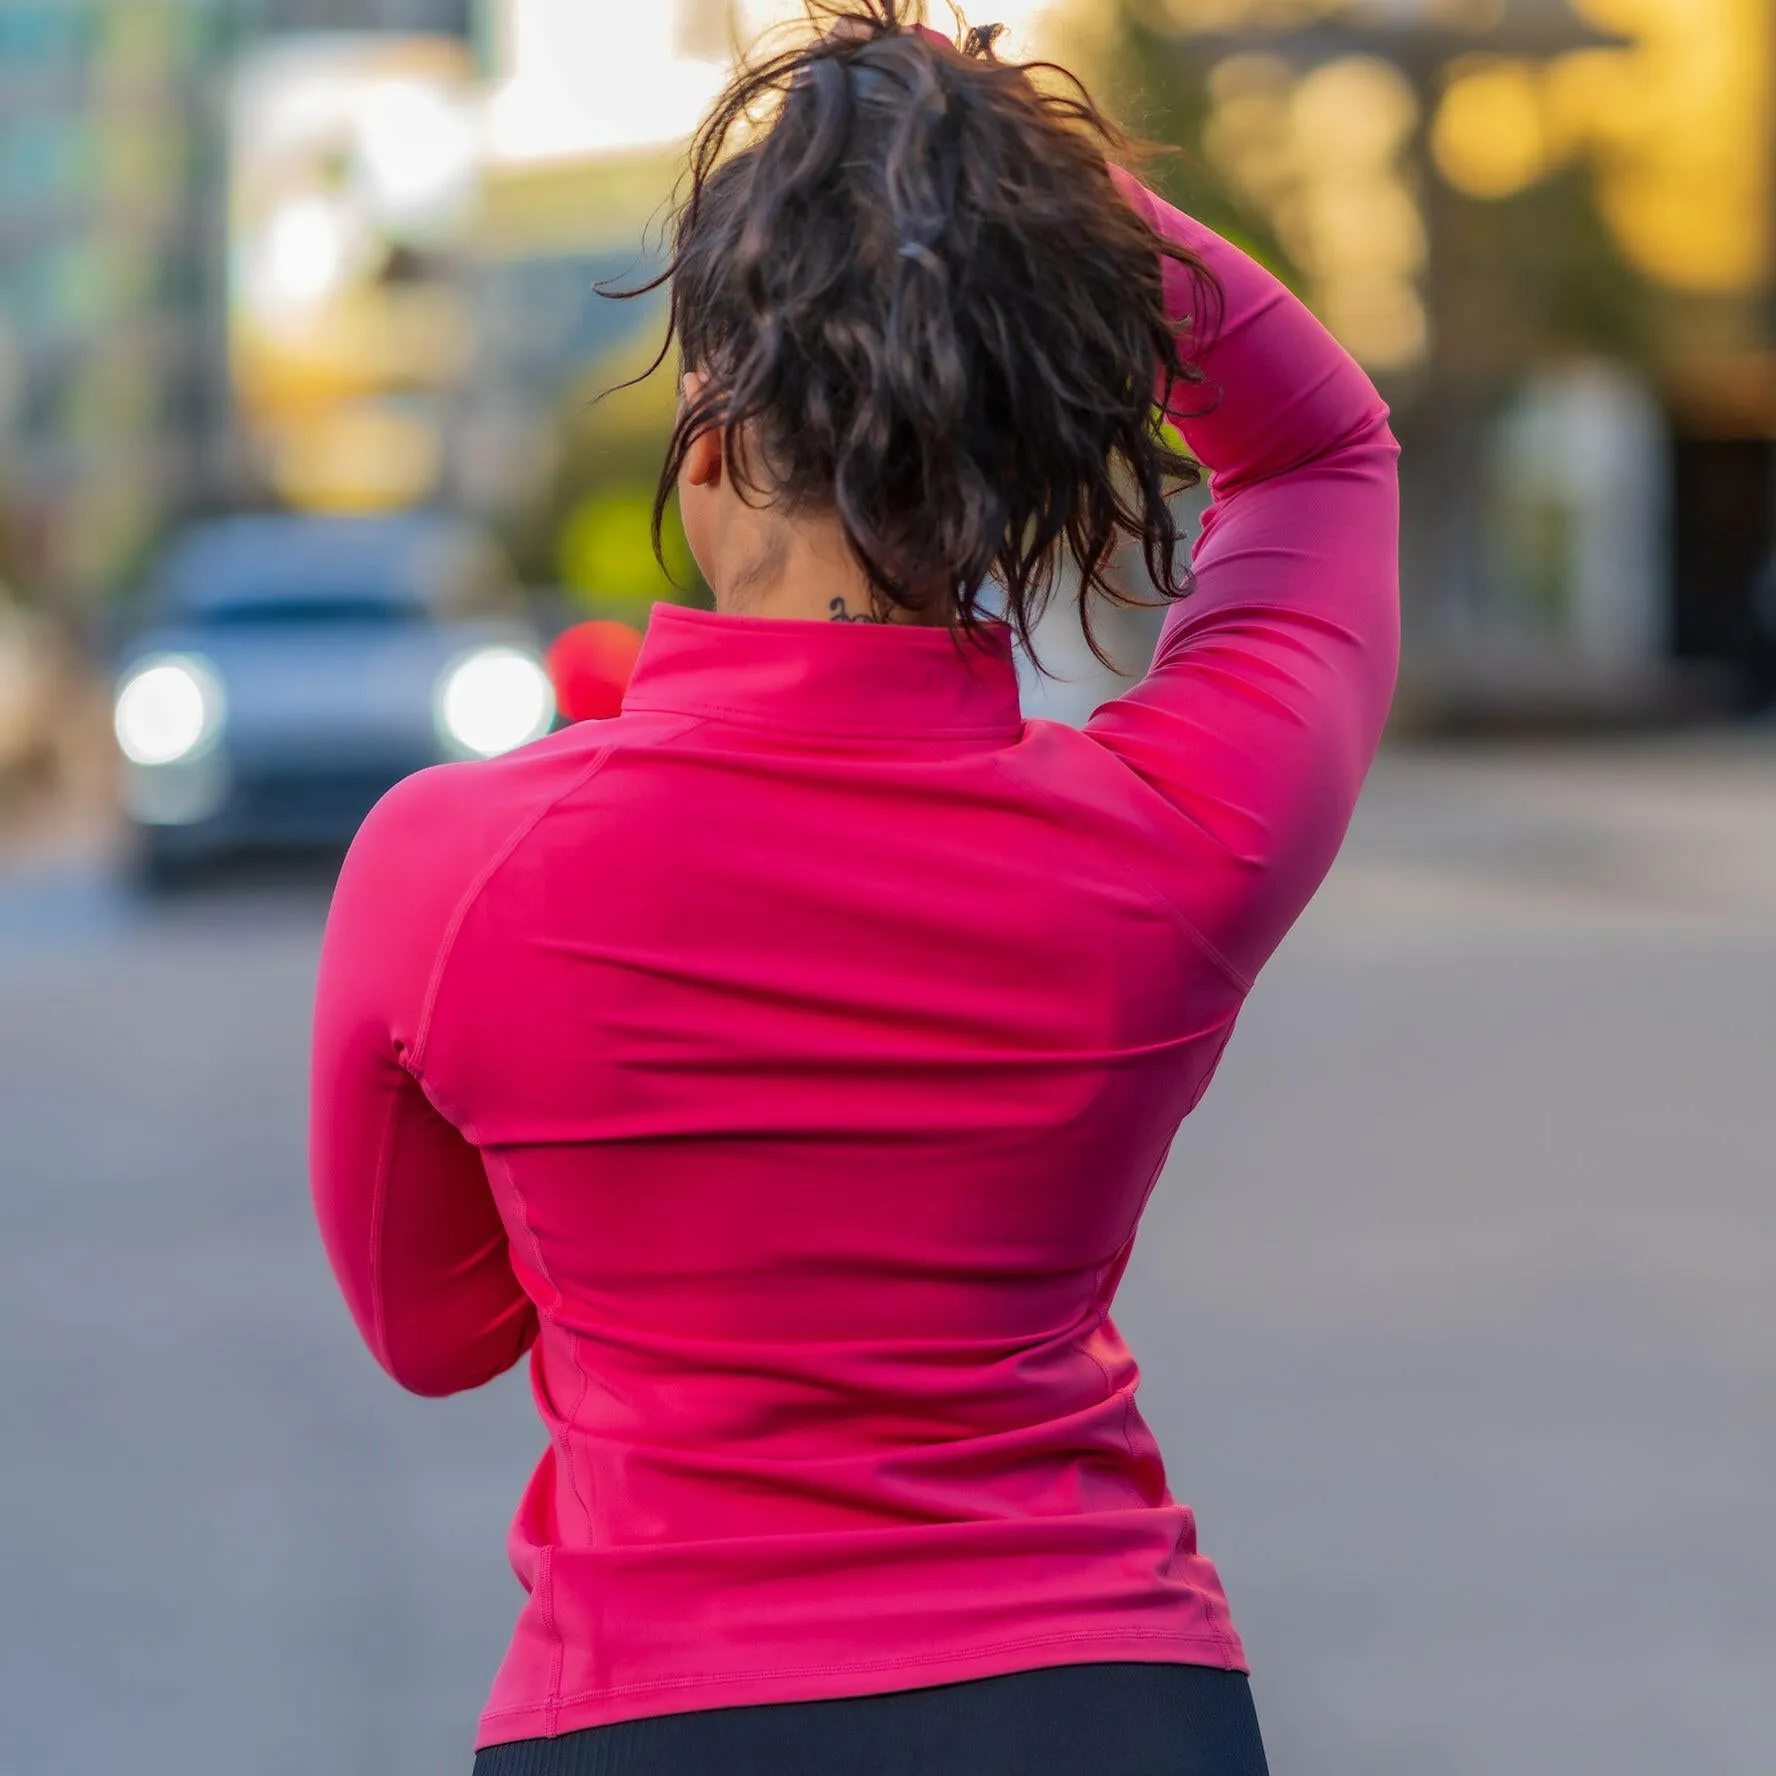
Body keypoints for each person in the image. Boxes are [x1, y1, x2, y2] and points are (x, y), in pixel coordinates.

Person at [309, 8, 1399, 1772]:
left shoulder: (448, 870)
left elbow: (438, 1334)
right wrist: (1014, 193)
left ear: (716, 445)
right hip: (1103, 1707)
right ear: (993, 480)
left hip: (652, 1717)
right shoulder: (1164, 843)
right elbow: (1326, 451)